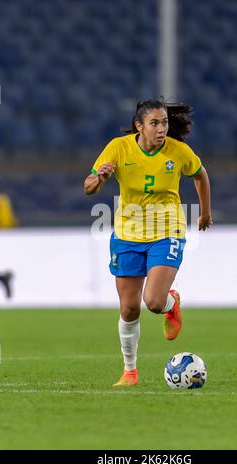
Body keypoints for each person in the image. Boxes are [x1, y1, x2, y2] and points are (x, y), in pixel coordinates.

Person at [84, 99, 212, 386]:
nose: (161, 128)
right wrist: (100, 178)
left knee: (153, 301)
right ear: (139, 126)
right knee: (129, 308)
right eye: (154, 123)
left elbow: (200, 175)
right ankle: (130, 371)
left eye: (164, 122)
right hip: (127, 235)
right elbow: (88, 187)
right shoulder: (119, 147)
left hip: (166, 233)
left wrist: (205, 212)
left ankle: (170, 303)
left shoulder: (178, 152)